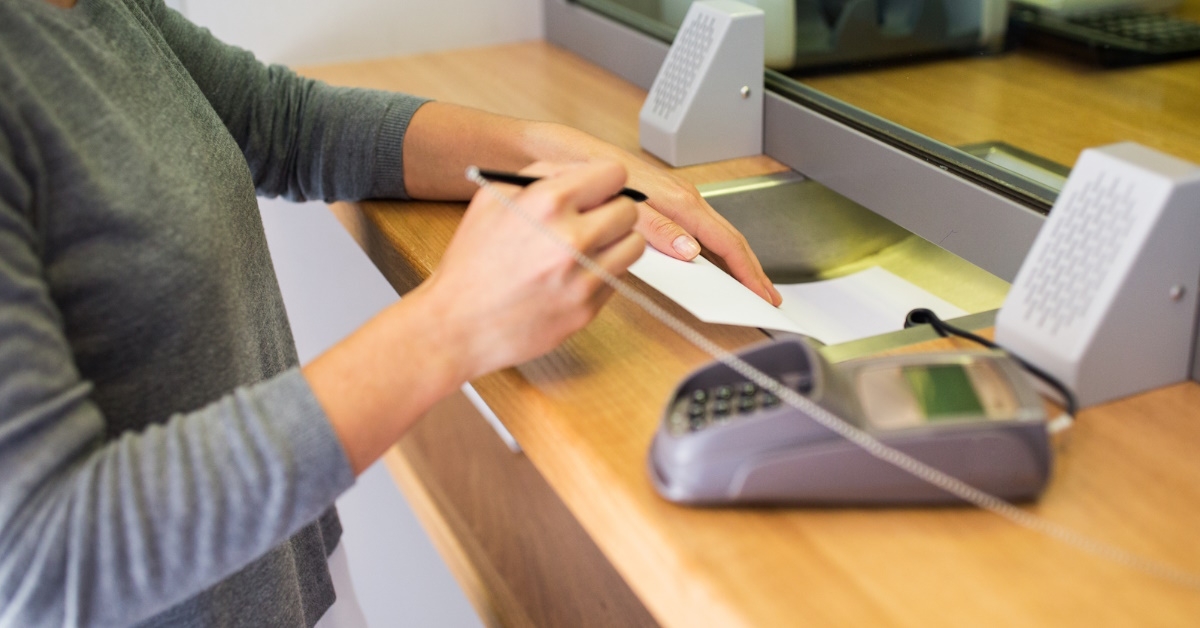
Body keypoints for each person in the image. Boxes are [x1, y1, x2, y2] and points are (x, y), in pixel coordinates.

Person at [0, 0, 780, 625]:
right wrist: (453, 323)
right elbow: (49, 557)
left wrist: (554, 153)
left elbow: (281, 122)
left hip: (280, 578)